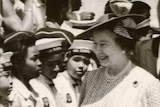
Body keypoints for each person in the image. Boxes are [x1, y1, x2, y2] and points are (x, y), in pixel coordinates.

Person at [76, 13, 160, 107]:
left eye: (103, 44)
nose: (97, 50)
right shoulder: (90, 78)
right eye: (95, 44)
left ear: (123, 46)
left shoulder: (147, 83)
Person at [30, 28, 74, 107]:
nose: (56, 68)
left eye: (59, 63)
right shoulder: (35, 87)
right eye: (50, 65)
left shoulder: (57, 83)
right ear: (39, 63)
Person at [54, 39, 99, 107]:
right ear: (66, 58)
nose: (81, 66)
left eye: (86, 62)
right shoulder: (58, 83)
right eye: (76, 60)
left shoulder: (83, 85)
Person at [3, 31, 43, 107]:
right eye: (34, 59)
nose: (40, 63)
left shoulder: (35, 88)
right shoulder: (14, 95)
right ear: (17, 62)